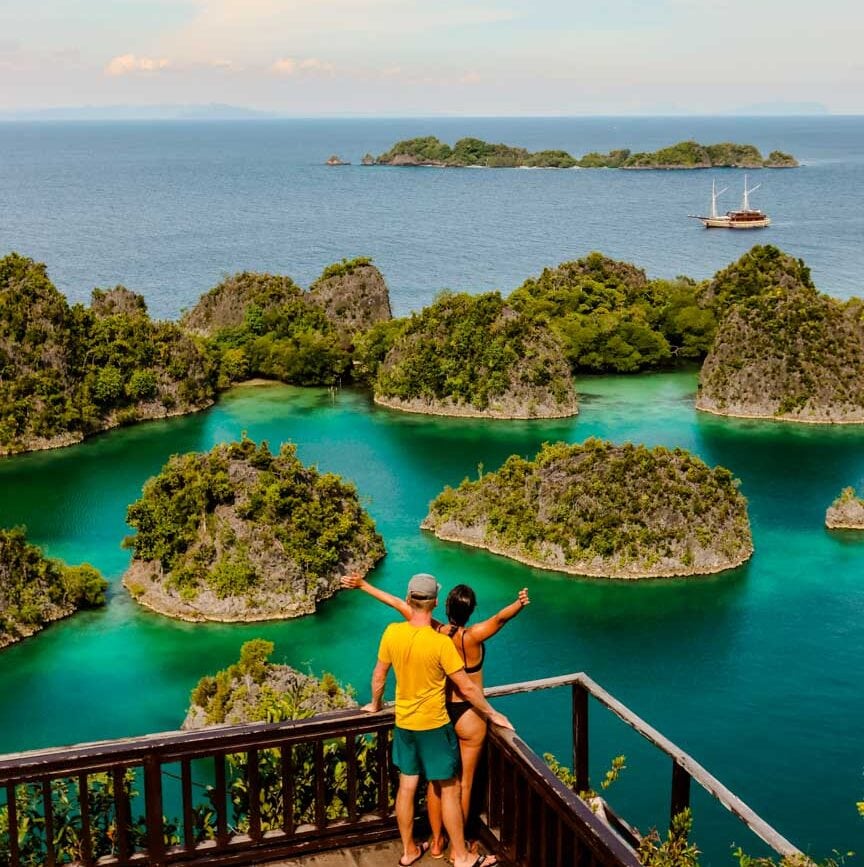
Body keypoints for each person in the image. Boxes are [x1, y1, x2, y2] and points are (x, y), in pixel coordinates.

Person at [344, 573, 529, 860]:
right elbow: (500, 619)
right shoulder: (474, 635)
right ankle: (462, 848)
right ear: (470, 609)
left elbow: (397, 604)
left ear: (445, 607)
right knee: (460, 784)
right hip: (469, 713)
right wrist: (519, 604)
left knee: (436, 783)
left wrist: (363, 585)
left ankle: (437, 841)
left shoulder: (436, 630)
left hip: (440, 711)